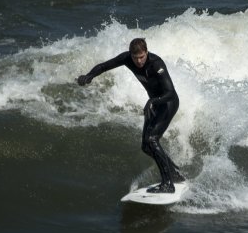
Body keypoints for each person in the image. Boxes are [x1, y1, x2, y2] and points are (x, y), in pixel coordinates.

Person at [77, 38, 184, 193]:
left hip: (168, 103)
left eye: (141, 57)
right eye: (135, 58)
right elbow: (104, 66)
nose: (139, 61)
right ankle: (174, 174)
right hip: (153, 104)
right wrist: (89, 76)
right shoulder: (127, 58)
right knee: (146, 147)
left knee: (152, 139)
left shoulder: (156, 64)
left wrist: (153, 101)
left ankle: (168, 184)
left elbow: (170, 92)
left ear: (146, 52)